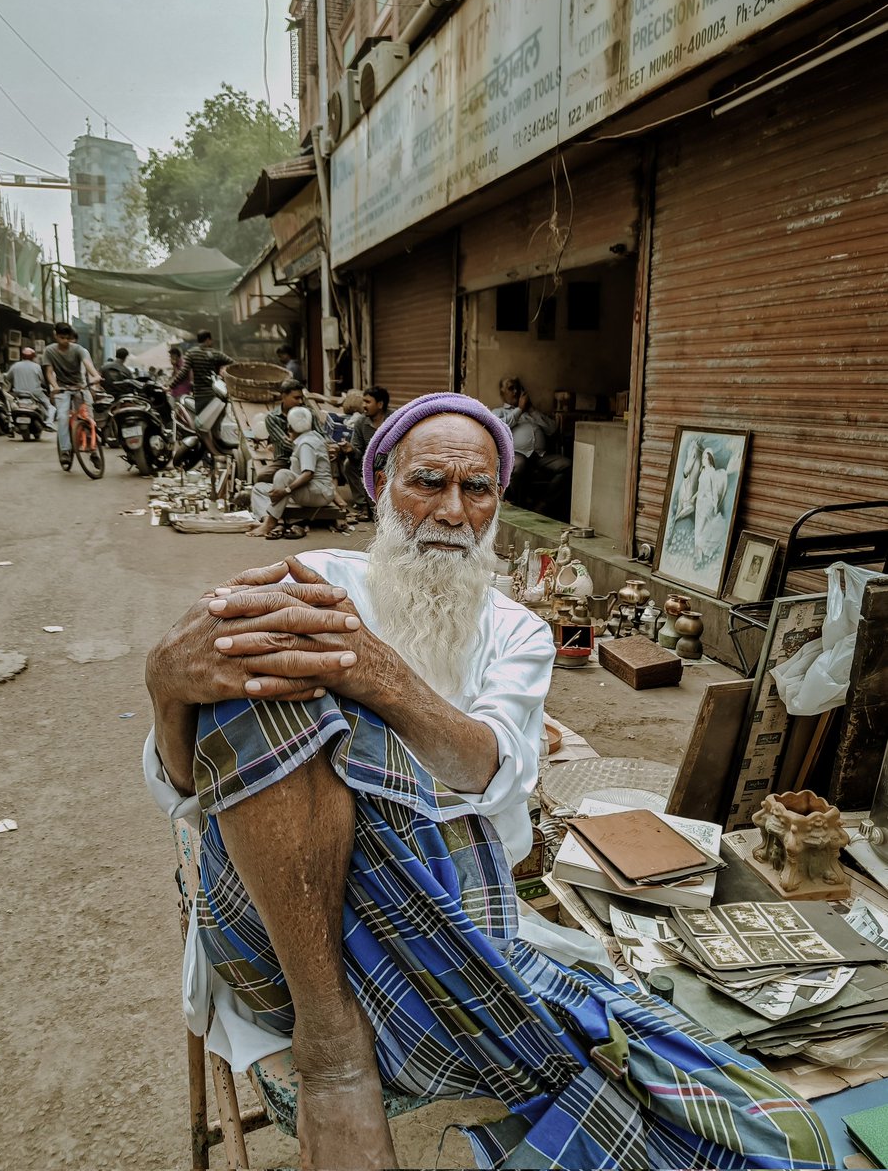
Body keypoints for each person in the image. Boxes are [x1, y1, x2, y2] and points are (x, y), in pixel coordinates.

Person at [144, 392, 830, 1171]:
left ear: (496, 505)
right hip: (289, 926)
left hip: (449, 911)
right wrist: (166, 690)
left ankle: (354, 1041)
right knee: (265, 686)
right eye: (427, 482)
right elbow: (189, 785)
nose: (451, 511)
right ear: (380, 488)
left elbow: (487, 771)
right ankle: (332, 1051)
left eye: (477, 490)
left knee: (757, 1131)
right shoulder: (317, 583)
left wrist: (381, 680)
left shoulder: (516, 630)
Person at [248, 406, 336, 538]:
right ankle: (266, 519)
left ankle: (270, 523)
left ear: (290, 427)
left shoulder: (307, 444)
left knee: (283, 474)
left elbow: (308, 474)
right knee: (259, 488)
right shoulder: (308, 438)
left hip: (318, 493)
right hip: (310, 491)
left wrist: (286, 491)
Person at [492, 376, 572, 515]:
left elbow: (552, 429)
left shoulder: (531, 413)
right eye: (511, 388)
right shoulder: (499, 412)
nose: (516, 391)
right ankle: (513, 505)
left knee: (567, 465)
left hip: (540, 456)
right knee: (519, 464)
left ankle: (543, 504)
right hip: (517, 454)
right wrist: (520, 410)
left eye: (518, 388)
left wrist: (532, 410)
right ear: (502, 392)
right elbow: (500, 428)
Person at [42, 323, 103, 468]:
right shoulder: (49, 351)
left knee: (88, 418)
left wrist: (95, 376)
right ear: (55, 335)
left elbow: (88, 365)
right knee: (62, 417)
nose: (64, 341)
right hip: (62, 389)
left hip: (80, 387)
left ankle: (93, 451)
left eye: (66, 338)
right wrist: (55, 387)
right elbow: (49, 372)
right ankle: (65, 450)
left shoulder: (78, 350)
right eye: (61, 337)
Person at [343, 385, 390, 509]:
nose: (363, 405)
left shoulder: (394, 420)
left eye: (368, 402)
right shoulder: (360, 422)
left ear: (380, 404)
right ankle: (361, 504)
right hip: (368, 464)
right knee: (348, 465)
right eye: (363, 401)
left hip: (389, 464)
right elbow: (358, 453)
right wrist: (351, 450)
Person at [257, 378, 306, 484]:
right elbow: (285, 443)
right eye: (296, 398)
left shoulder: (307, 413)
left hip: (307, 459)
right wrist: (307, 450)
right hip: (285, 461)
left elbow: (321, 433)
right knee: (262, 477)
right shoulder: (273, 418)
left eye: (301, 398)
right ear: (284, 397)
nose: (300, 402)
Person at [182, 330, 233, 416]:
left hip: (200, 395)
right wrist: (223, 371)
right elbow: (234, 364)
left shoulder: (191, 353)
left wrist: (170, 386)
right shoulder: (216, 353)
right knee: (215, 424)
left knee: (200, 423)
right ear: (208, 340)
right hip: (215, 396)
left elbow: (183, 372)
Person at [6, 347, 55, 429]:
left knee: (9, 404)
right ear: (33, 357)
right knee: (51, 407)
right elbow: (42, 380)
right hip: (35, 392)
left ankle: (10, 423)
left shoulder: (15, 366)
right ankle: (49, 423)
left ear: (22, 356)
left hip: (18, 392)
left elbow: (8, 378)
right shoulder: (36, 366)